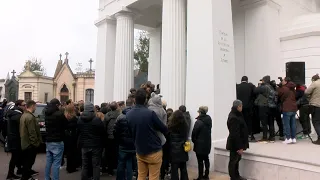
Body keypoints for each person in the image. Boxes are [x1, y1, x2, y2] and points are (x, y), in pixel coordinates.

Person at [127, 88, 168, 180]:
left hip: (139, 149)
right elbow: (164, 128)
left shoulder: (129, 114)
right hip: (154, 149)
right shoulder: (150, 113)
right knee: (153, 177)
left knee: (141, 175)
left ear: (134, 99)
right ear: (146, 100)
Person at [78, 102, 107, 180]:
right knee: (96, 165)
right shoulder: (97, 120)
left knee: (85, 165)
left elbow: (79, 132)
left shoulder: (80, 119)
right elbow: (103, 132)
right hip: (96, 145)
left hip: (84, 145)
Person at [44, 98, 68, 180]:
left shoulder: (46, 113)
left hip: (48, 140)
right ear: (57, 105)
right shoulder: (59, 114)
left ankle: (47, 178)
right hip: (58, 141)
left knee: (49, 162)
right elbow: (66, 125)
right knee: (56, 163)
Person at [113, 99, 136, 180]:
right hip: (133, 144)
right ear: (133, 104)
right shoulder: (135, 116)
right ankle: (129, 178)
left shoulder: (120, 117)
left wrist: (118, 141)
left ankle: (119, 178)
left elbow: (115, 131)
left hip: (122, 144)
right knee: (129, 162)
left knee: (121, 163)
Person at [226, 100, 249, 180]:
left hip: (237, 143)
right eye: (241, 106)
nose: (242, 107)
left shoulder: (237, 114)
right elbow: (235, 134)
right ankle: (233, 177)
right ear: (238, 106)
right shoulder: (234, 117)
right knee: (233, 161)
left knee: (236, 160)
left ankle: (237, 176)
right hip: (235, 144)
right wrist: (239, 147)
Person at [147, 93, 168, 180]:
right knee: (159, 159)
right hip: (160, 138)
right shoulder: (162, 111)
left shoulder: (148, 110)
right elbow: (164, 125)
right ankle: (160, 175)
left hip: (149, 137)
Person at [20, 100, 42, 180]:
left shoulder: (24, 115)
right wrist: (35, 144)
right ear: (32, 106)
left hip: (25, 143)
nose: (36, 108)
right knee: (28, 163)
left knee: (26, 162)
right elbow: (32, 132)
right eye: (35, 106)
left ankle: (27, 177)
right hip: (29, 144)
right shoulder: (29, 117)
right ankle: (25, 177)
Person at [6, 100, 25, 180]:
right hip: (15, 139)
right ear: (19, 105)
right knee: (14, 157)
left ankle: (18, 170)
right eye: (24, 105)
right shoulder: (17, 116)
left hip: (13, 138)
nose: (25, 106)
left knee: (16, 157)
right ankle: (10, 175)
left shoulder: (13, 113)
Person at [192, 106, 212, 180]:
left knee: (200, 162)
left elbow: (194, 134)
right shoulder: (209, 119)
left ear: (200, 112)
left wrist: (195, 141)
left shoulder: (198, 122)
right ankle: (206, 176)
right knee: (206, 159)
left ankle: (200, 177)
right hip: (207, 144)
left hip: (199, 145)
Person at [168, 110, 189, 180]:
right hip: (183, 149)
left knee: (174, 170)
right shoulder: (185, 126)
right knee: (183, 169)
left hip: (173, 150)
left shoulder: (170, 126)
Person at [254, 75, 276, 142]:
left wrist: (260, 85)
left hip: (264, 106)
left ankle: (264, 137)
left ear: (264, 80)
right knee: (271, 122)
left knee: (264, 123)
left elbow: (255, 91)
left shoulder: (263, 87)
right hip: (271, 106)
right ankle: (272, 137)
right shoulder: (271, 87)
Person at [278, 77, 298, 144]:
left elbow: (279, 95)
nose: (282, 81)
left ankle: (288, 138)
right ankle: (293, 138)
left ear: (286, 81)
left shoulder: (284, 88)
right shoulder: (293, 89)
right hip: (293, 108)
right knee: (293, 124)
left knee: (287, 124)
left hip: (287, 107)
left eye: (283, 80)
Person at [236, 76, 256, 141]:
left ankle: (242, 135)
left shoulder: (237, 86)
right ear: (247, 80)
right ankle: (250, 135)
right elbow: (254, 94)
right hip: (249, 107)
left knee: (241, 121)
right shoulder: (250, 86)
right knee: (249, 121)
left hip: (239, 107)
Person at [104, 101, 120, 175]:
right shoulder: (119, 114)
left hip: (108, 137)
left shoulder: (107, 115)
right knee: (117, 153)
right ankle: (116, 167)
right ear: (116, 107)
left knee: (109, 154)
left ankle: (110, 169)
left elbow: (104, 126)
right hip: (117, 137)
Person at [304, 74, 320, 145]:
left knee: (315, 122)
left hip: (316, 105)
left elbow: (306, 92)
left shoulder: (315, 83)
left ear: (313, 79)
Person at [64, 104, 79, 173]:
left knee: (68, 153)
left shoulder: (64, 117)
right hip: (73, 136)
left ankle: (68, 167)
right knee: (73, 153)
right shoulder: (74, 118)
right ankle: (72, 167)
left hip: (66, 137)